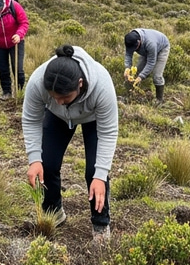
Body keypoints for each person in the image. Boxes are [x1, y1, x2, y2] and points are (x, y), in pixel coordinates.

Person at [22, 44, 119, 241]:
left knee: (95, 173)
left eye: (64, 97)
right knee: (46, 163)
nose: (58, 101)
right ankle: (53, 213)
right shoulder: (38, 82)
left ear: (80, 84)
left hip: (92, 117)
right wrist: (34, 159)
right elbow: (31, 119)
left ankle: (100, 225)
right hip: (58, 118)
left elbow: (108, 132)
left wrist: (101, 175)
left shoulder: (101, 84)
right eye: (53, 97)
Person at [123, 28, 171, 105]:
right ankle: (131, 94)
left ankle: (159, 100)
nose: (133, 50)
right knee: (136, 72)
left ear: (138, 42)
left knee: (157, 76)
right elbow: (128, 54)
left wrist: (141, 76)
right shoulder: (130, 40)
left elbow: (151, 62)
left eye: (134, 48)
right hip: (146, 50)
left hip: (162, 48)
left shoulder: (150, 43)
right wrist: (127, 68)